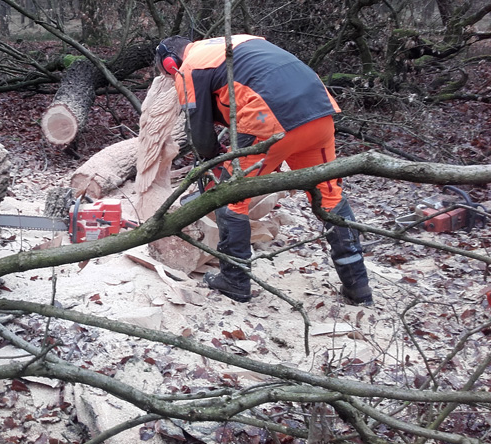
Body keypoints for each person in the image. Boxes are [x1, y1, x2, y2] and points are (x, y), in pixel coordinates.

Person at [155, 34, 373, 306]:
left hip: (271, 118)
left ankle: (234, 281)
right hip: (319, 112)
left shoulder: (190, 67)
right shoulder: (237, 41)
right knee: (329, 194)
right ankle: (358, 288)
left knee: (231, 198)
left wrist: (212, 158)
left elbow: (198, 131)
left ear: (170, 62)